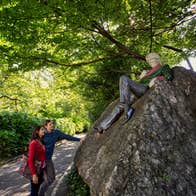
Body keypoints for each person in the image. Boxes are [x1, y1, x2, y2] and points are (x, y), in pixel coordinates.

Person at [94, 52, 173, 133]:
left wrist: (157, 78)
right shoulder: (147, 72)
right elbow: (137, 83)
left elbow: (169, 76)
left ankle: (127, 109)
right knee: (121, 105)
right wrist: (142, 77)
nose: (150, 60)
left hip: (144, 89)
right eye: (149, 60)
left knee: (123, 78)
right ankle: (102, 126)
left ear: (158, 58)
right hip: (137, 90)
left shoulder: (163, 67)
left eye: (152, 58)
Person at [40, 119, 81, 194]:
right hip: (40, 159)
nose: (52, 125)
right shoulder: (42, 134)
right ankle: (41, 193)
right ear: (45, 126)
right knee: (42, 179)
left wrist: (79, 139)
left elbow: (67, 136)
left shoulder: (56, 132)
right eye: (50, 124)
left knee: (51, 178)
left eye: (52, 124)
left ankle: (41, 192)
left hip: (48, 159)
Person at [28, 125, 46, 196]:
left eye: (44, 129)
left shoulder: (41, 141)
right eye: (42, 129)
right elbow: (30, 159)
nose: (43, 131)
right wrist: (34, 174)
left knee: (38, 189)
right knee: (34, 191)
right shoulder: (33, 143)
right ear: (37, 131)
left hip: (41, 169)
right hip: (36, 170)